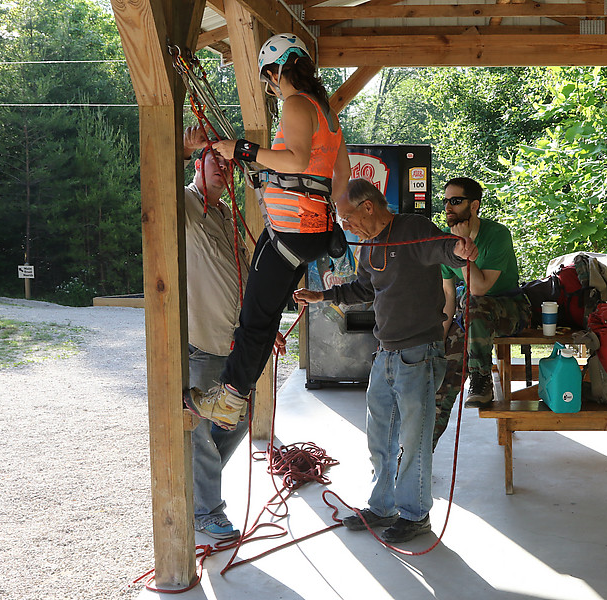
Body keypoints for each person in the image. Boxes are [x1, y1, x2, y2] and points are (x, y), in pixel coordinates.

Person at [293, 179, 478, 544]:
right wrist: (322, 295)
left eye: (347, 217)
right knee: (380, 437)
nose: (344, 225)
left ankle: (415, 515)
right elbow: (364, 288)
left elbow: (442, 248)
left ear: (367, 206)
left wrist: (460, 251)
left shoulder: (411, 228)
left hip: (418, 354)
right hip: (385, 353)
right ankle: (382, 506)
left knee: (415, 439)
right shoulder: (369, 246)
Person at [183, 33, 351, 431]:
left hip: (288, 233)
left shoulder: (296, 103)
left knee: (254, 319)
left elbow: (295, 159)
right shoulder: (327, 115)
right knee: (265, 315)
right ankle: (233, 396)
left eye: (268, 78)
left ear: (277, 71)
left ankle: (229, 398)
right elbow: (339, 177)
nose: (271, 87)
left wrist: (246, 151)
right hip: (310, 232)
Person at [182, 125, 250, 540]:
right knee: (203, 434)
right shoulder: (184, 204)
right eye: (215, 160)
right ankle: (206, 509)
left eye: (228, 163)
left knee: (238, 419)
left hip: (236, 341)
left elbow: (240, 276)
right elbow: (155, 189)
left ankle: (196, 489)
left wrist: (260, 330)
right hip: (202, 342)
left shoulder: (226, 213)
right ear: (196, 164)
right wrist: (179, 144)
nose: (224, 168)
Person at [432, 177, 530, 448]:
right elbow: (448, 296)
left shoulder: (497, 234)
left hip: (509, 309)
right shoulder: (444, 240)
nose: (448, 208)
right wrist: (439, 341)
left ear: (474, 205)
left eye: (455, 201)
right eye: (445, 202)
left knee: (474, 303)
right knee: (445, 372)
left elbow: (480, 287)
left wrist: (462, 245)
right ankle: (418, 453)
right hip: (471, 317)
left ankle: (480, 378)